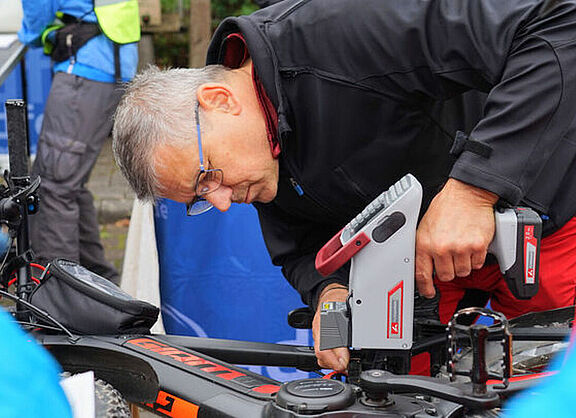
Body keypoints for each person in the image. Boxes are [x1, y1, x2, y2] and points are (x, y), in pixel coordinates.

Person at [112, 0, 576, 372]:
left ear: (218, 100)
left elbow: (559, 22)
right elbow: (297, 245)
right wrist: (330, 289)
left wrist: (474, 188)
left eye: (206, 178)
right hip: (430, 273)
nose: (223, 201)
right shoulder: (252, 151)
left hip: (546, 215)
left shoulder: (344, 30)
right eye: (200, 200)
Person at [18, 0, 140, 284]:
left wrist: (30, 35)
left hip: (85, 68)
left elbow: (37, 13)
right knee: (68, 183)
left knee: (52, 187)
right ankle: (99, 283)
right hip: (113, 61)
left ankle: (60, 292)